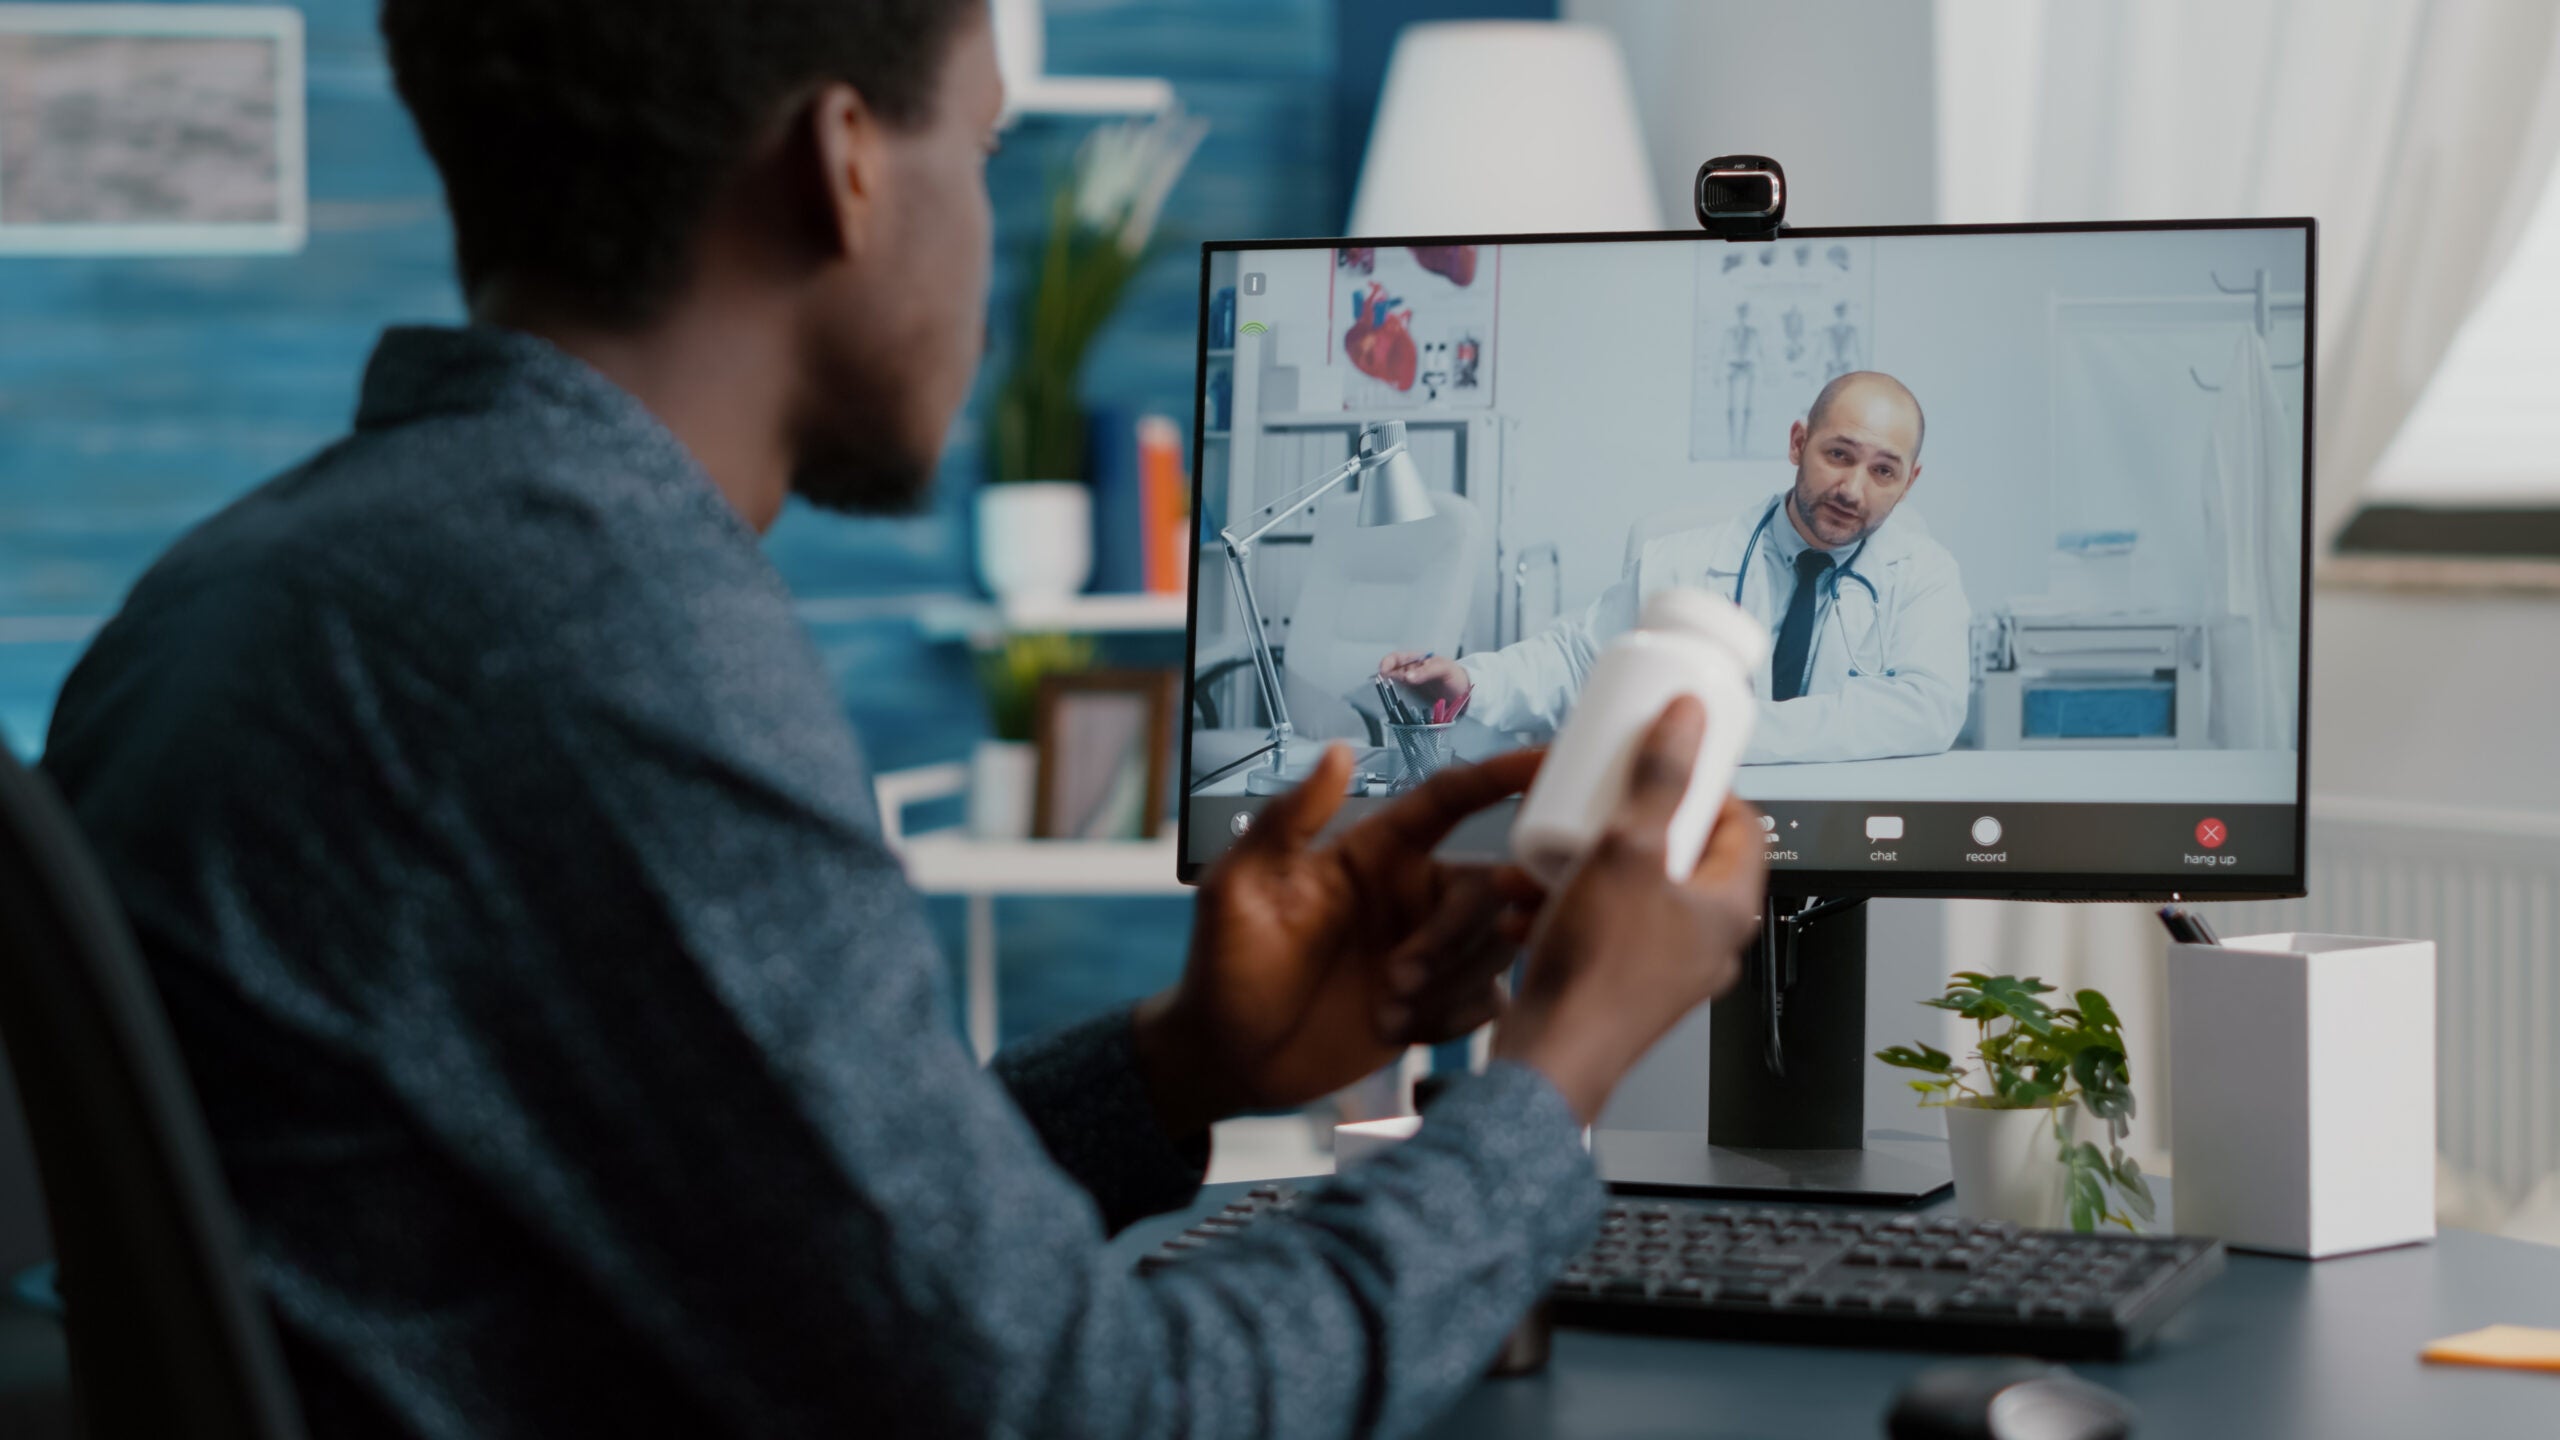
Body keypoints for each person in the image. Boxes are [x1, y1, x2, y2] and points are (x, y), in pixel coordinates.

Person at [36, 3, 1768, 1437]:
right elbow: (1085, 1411)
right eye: (989, 151)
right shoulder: (601, 642)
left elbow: (786, 1233)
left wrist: (1179, 1069)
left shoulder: (265, 582)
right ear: (850, 164)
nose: (993, 237)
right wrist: (1561, 1070)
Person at [1384, 371, 1970, 765]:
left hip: (1849, 842)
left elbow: (1928, 709)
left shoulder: (1924, 575)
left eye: (1883, 471)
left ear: (1910, 482)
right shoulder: (1680, 562)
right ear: (1798, 443)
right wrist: (1470, 680)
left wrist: (1725, 730)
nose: (1852, 489)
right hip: (1692, 832)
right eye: (1838, 454)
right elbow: (1576, 663)